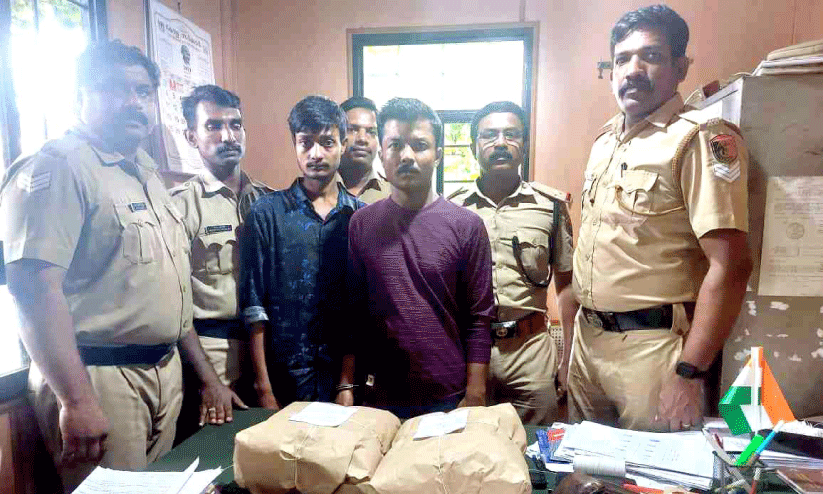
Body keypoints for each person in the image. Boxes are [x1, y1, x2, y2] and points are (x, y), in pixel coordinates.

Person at [0, 41, 198, 489]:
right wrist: (76, 400)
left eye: (143, 91)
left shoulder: (145, 172)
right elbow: (32, 291)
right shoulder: (59, 167)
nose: (133, 102)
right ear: (80, 98)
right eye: (114, 89)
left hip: (161, 371)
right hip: (99, 377)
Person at [568, 4, 753, 432]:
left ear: (680, 67)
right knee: (580, 463)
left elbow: (731, 265)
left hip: (653, 352)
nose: (633, 70)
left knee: (648, 467)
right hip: (587, 341)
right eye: (621, 59)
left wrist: (690, 371)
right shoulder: (604, 141)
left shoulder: (698, 137)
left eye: (650, 56)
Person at [343, 97, 494, 418]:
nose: (407, 156)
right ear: (381, 154)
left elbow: (479, 318)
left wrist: (475, 394)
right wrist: (346, 385)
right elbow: (353, 313)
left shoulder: (467, 226)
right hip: (378, 397)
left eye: (420, 145)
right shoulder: (361, 224)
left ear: (438, 154)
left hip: (449, 398)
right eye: (395, 145)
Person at [449, 101, 577, 425]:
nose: (501, 143)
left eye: (511, 134)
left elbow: (566, 287)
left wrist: (568, 359)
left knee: (537, 448)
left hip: (530, 353)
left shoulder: (550, 207)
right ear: (473, 147)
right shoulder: (451, 209)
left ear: (524, 144)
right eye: (489, 135)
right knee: (466, 444)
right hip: (465, 353)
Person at [239, 95, 363, 410]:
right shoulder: (266, 213)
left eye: (327, 142)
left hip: (342, 380)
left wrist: (346, 384)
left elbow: (359, 308)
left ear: (343, 144)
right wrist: (263, 388)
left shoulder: (360, 218)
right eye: (306, 143)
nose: (315, 154)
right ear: (294, 144)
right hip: (282, 379)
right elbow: (253, 304)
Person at [171, 85, 273, 428]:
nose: (228, 136)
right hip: (212, 355)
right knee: (217, 452)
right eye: (213, 126)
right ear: (191, 136)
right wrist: (208, 380)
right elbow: (175, 305)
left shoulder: (269, 200)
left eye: (235, 124)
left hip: (268, 353)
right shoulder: (180, 207)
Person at [338, 96, 390, 203]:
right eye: (352, 129)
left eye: (371, 132)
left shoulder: (393, 195)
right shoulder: (316, 189)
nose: (362, 139)